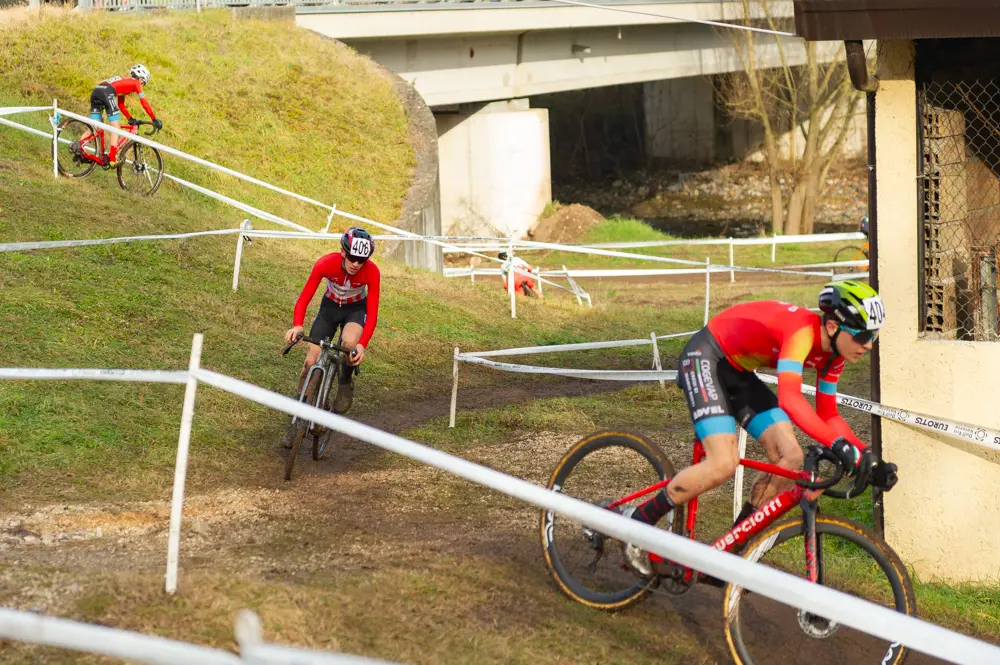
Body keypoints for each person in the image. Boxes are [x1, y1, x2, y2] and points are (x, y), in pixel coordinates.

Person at [624, 280, 897, 575]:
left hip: (738, 372)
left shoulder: (835, 355)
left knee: (790, 458)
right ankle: (634, 524)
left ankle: (729, 555)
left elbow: (829, 415)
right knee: (723, 463)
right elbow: (790, 399)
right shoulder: (802, 333)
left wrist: (865, 455)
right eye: (863, 336)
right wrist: (838, 445)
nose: (869, 345)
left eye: (874, 335)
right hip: (707, 356)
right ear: (832, 326)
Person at [284, 227, 379, 416]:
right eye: (352, 257)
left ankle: (345, 380)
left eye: (362, 260)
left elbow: (373, 313)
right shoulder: (326, 263)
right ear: (343, 251)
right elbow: (304, 298)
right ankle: (302, 400)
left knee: (349, 345)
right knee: (310, 361)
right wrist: (297, 325)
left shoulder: (372, 272)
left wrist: (362, 345)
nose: (356, 264)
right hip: (329, 309)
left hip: (355, 311)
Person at [87, 64, 161, 167]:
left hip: (97, 91)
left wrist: (129, 118)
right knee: (116, 127)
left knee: (94, 127)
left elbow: (121, 104)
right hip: (107, 92)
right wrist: (154, 119)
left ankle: (78, 146)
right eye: (144, 84)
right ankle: (112, 158)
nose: (142, 86)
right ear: (141, 80)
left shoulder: (125, 82)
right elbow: (144, 103)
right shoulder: (136, 83)